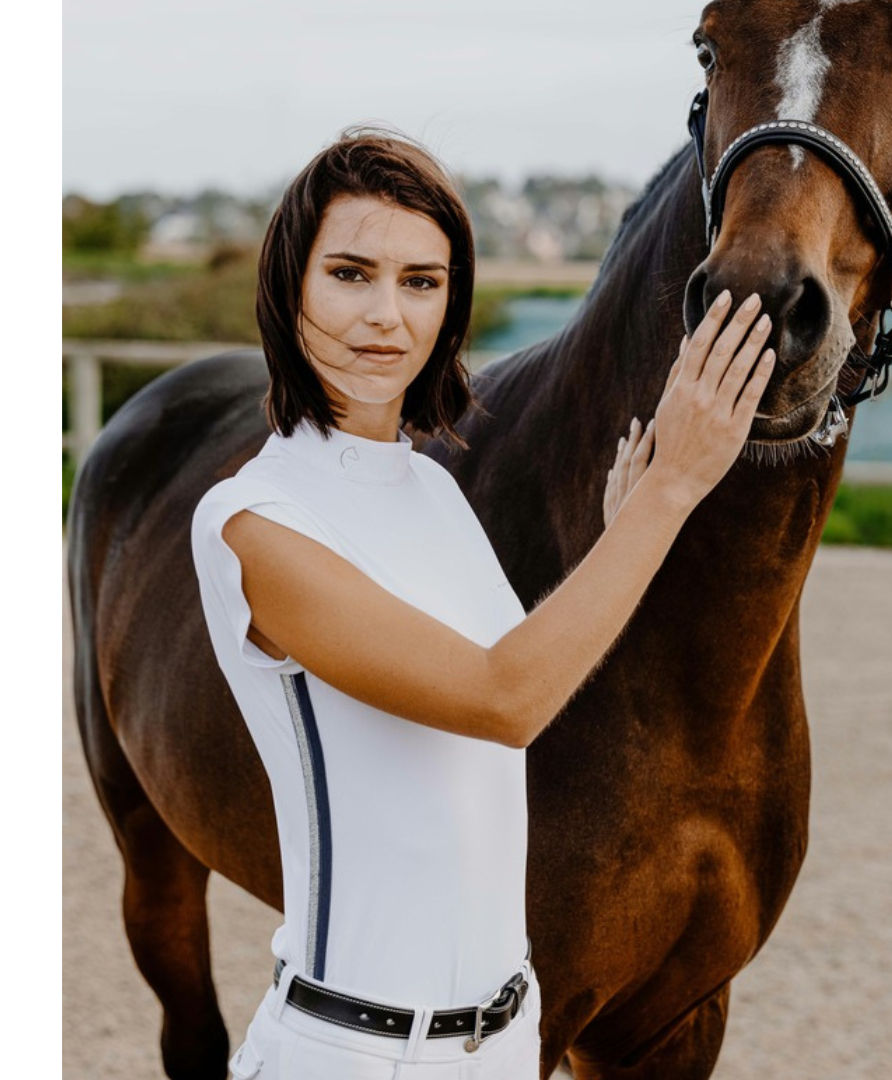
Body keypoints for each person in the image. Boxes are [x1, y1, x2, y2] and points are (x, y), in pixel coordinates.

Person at [190, 128, 775, 1080]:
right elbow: (504, 699)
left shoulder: (430, 489)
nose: (386, 314)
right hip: (350, 1053)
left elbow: (514, 712)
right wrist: (672, 492)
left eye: (422, 282)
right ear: (289, 285)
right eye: (350, 273)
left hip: (504, 1042)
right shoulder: (254, 523)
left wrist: (613, 535)